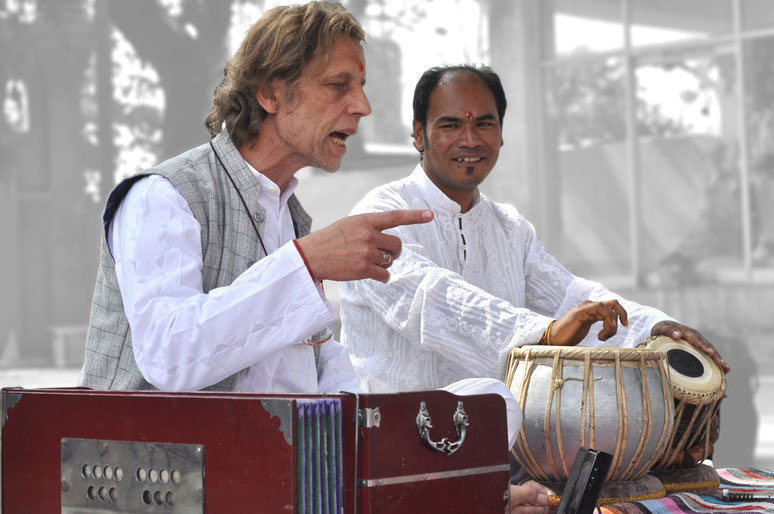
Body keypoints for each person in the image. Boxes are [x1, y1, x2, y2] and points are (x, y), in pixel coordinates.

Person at [338, 65, 729, 513]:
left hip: (492, 460)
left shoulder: (509, 228)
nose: (470, 139)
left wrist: (656, 331)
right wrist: (542, 334)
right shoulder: (382, 213)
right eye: (450, 125)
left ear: (501, 134)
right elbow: (430, 297)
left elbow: (570, 296)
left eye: (485, 124)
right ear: (418, 134)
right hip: (389, 461)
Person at [77, 1, 434, 394]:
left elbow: (306, 368)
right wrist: (305, 263)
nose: (362, 106)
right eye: (337, 85)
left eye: (361, 86)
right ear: (269, 94)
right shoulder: (163, 196)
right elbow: (169, 357)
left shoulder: (287, 214)